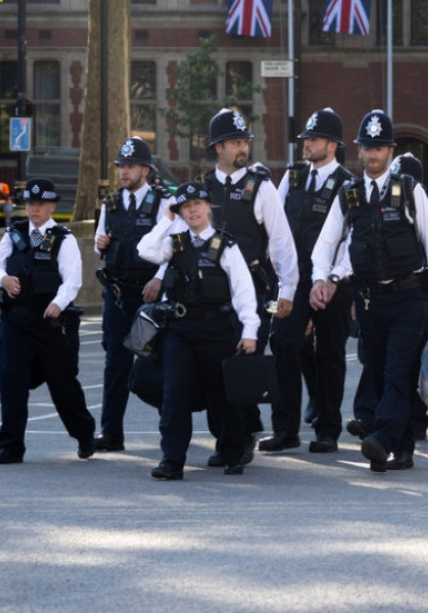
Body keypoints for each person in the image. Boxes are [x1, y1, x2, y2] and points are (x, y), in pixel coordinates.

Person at [310, 109, 428, 472]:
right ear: (358, 150)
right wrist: (321, 279)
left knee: (397, 369)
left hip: (408, 295)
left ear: (391, 151)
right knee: (379, 368)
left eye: (379, 148)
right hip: (369, 299)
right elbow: (327, 243)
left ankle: (382, 438)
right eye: (367, 148)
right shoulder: (351, 193)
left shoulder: (408, 189)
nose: (373, 155)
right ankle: (401, 449)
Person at [137, 183, 260, 479]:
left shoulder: (225, 245)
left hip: (216, 328)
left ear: (208, 207)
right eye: (185, 207)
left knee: (222, 395)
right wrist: (166, 219)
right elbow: (145, 251)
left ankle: (232, 454)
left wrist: (250, 330)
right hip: (179, 329)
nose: (191, 210)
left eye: (196, 204)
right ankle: (172, 460)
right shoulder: (174, 243)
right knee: (175, 393)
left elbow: (243, 290)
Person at [203, 108, 299, 464]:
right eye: (234, 143)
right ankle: (227, 435)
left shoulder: (261, 186)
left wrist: (287, 290)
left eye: (244, 141)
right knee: (215, 368)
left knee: (244, 363)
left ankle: (241, 439)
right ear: (218, 148)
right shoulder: (204, 187)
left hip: (255, 291)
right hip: (212, 292)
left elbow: (281, 242)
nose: (241, 148)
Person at [0, 178, 95, 464]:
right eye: (31, 204)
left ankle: (84, 434)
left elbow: (73, 279)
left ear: (52, 206)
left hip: (50, 325)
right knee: (12, 384)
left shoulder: (63, 238)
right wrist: (3, 280)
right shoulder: (14, 234)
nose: (35, 209)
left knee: (63, 385)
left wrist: (58, 304)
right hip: (16, 322)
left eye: (42, 204)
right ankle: (10, 446)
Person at [271, 107, 354, 454]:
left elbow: (351, 237)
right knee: (283, 344)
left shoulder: (348, 183)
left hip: (332, 280)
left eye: (314, 139)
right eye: (305, 138)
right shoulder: (291, 177)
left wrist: (333, 278)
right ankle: (285, 428)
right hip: (295, 278)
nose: (306, 144)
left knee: (329, 353)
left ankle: (327, 428)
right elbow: (275, 225)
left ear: (332, 145)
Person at [93, 137, 171, 451]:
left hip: (148, 296)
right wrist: (100, 244)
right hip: (117, 295)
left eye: (130, 166)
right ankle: (111, 432)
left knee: (156, 363)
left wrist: (160, 281)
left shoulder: (163, 202)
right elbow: (100, 241)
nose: (124, 172)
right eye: (121, 166)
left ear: (145, 169)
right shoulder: (110, 204)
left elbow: (174, 249)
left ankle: (171, 425)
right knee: (116, 363)